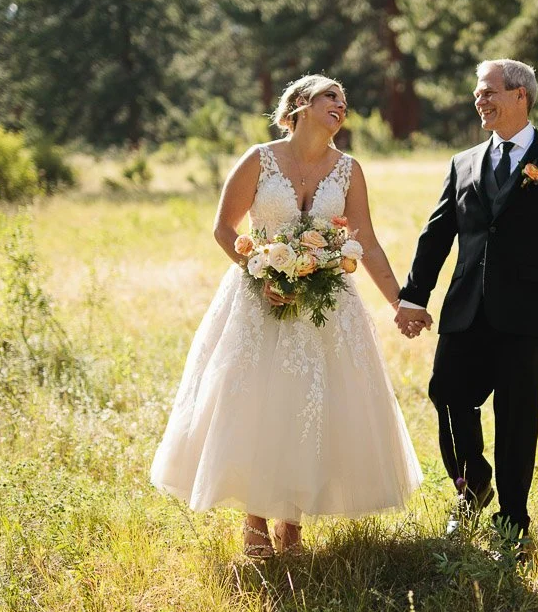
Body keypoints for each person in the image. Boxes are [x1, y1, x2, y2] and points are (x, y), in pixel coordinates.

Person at [151, 74, 423, 559]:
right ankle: (255, 521)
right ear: (301, 104)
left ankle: (291, 524)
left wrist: (399, 301)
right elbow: (223, 229)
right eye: (330, 97)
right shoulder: (259, 159)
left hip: (326, 307)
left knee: (310, 405)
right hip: (260, 301)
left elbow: (369, 242)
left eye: (345, 98)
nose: (341, 104)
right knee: (258, 403)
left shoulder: (349, 169)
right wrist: (260, 273)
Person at [395, 58, 538, 542]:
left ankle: (513, 520)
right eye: (477, 93)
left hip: (528, 315)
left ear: (520, 96)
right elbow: (437, 234)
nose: (479, 100)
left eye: (488, 91)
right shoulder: (462, 163)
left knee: (515, 416)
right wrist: (413, 295)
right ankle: (473, 486)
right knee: (446, 394)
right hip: (465, 310)